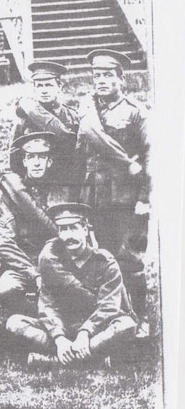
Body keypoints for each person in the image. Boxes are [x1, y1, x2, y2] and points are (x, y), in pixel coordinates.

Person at [5, 203, 137, 368]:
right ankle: (91, 360)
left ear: (85, 229)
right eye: (63, 229)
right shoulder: (53, 262)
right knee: (14, 322)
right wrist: (59, 338)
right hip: (63, 327)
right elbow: (47, 305)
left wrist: (85, 332)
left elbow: (108, 306)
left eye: (73, 228)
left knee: (126, 325)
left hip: (95, 328)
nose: (68, 235)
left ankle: (54, 362)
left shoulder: (105, 261)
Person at [76, 49, 150, 337]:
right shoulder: (87, 110)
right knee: (99, 258)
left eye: (108, 75)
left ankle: (140, 318)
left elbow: (151, 157)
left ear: (121, 79)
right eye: (97, 76)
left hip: (126, 200)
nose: (102, 81)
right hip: (93, 198)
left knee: (129, 259)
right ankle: (110, 318)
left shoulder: (135, 111)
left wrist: (144, 198)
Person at [0, 132, 68, 317]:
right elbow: (5, 242)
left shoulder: (60, 193)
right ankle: (33, 324)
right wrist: (33, 273)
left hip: (54, 261)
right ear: (24, 161)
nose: (36, 163)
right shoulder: (11, 195)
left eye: (42, 157)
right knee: (7, 288)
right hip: (22, 263)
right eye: (31, 157)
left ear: (49, 162)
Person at [9, 61, 79, 187]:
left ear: (59, 87)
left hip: (65, 182)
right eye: (40, 86)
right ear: (34, 88)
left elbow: (79, 155)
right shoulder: (25, 119)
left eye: (49, 85)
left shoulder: (72, 117)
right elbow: (14, 159)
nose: (44, 90)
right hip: (35, 184)